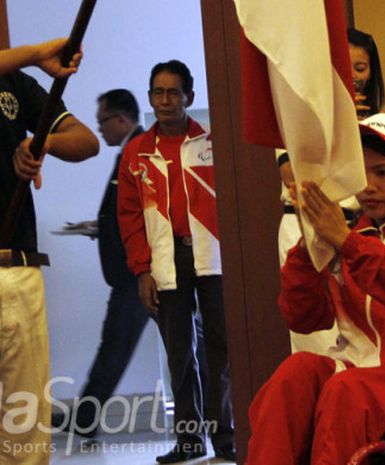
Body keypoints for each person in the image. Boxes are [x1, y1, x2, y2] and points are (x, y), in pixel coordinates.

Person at [247, 113, 385, 465]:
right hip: (359, 366)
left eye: (382, 172)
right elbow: (304, 318)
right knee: (290, 377)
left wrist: (346, 243)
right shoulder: (348, 234)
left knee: (345, 391)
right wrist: (309, 252)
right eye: (360, 173)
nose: (368, 186)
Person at [117, 60, 235, 463]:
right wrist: (141, 270)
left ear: (190, 97)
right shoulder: (137, 152)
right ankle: (188, 441)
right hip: (166, 263)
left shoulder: (212, 144)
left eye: (173, 92)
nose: (164, 100)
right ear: (150, 97)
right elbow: (129, 216)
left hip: (214, 259)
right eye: (157, 92)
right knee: (178, 355)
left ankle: (226, 437)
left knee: (220, 351)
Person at [0, 38, 99, 465]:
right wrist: (39, 51)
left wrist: (43, 145)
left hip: (17, 270)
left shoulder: (16, 85)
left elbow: (86, 140)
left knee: (25, 430)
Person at [276, 28, 385, 354]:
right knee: (315, 341)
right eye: (343, 66)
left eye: (361, 68)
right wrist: (338, 123)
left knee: (360, 338)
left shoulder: (378, 123)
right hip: (306, 227)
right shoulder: (300, 120)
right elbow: (293, 177)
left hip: (359, 230)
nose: (352, 76)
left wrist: (359, 127)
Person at [51, 89, 149, 438]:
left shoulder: (138, 151)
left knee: (117, 345)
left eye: (102, 122)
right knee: (114, 345)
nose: (101, 129)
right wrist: (100, 227)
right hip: (129, 272)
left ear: (121, 119)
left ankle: (86, 420)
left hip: (137, 274)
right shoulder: (128, 151)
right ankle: (86, 419)